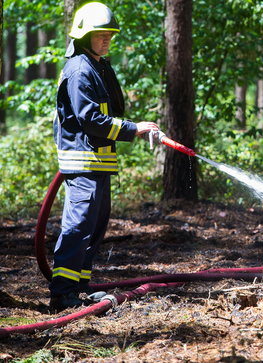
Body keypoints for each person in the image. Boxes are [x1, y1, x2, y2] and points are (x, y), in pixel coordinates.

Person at [50, 2, 159, 310]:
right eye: (101, 33)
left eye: (110, 33)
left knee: (95, 225)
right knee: (79, 224)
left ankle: (78, 287)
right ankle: (62, 293)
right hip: (83, 162)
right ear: (84, 34)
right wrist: (132, 128)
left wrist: (131, 129)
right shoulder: (80, 69)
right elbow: (89, 119)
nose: (108, 38)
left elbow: (109, 113)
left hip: (98, 162)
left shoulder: (97, 65)